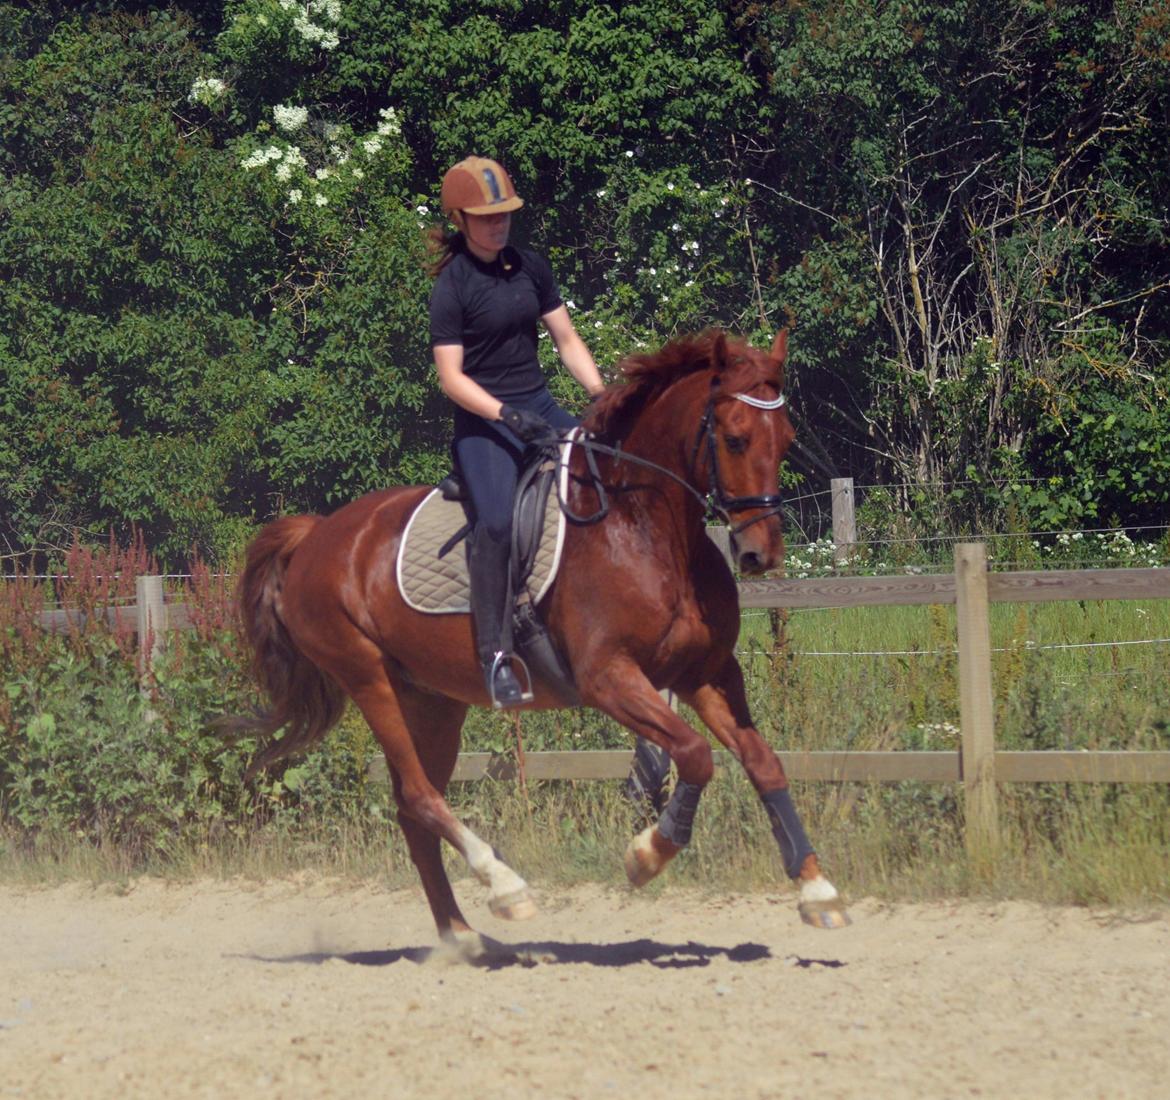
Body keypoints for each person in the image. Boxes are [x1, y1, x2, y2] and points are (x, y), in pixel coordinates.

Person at [428, 155, 605, 708]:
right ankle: (496, 655)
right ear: (460, 220)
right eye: (487, 217)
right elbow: (451, 379)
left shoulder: (531, 267)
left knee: (608, 471)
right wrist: (504, 414)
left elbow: (567, 340)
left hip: (541, 406)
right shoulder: (453, 287)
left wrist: (601, 396)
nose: (498, 224)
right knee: (498, 524)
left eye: (504, 214)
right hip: (485, 424)